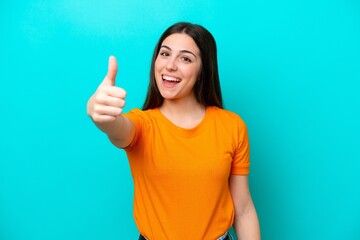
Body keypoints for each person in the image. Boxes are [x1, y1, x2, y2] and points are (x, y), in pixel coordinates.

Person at [87, 22, 260, 240]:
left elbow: (243, 210)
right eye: (165, 54)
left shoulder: (232, 126)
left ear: (203, 70)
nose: (170, 65)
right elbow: (117, 128)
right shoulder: (143, 125)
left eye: (185, 58)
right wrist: (98, 112)